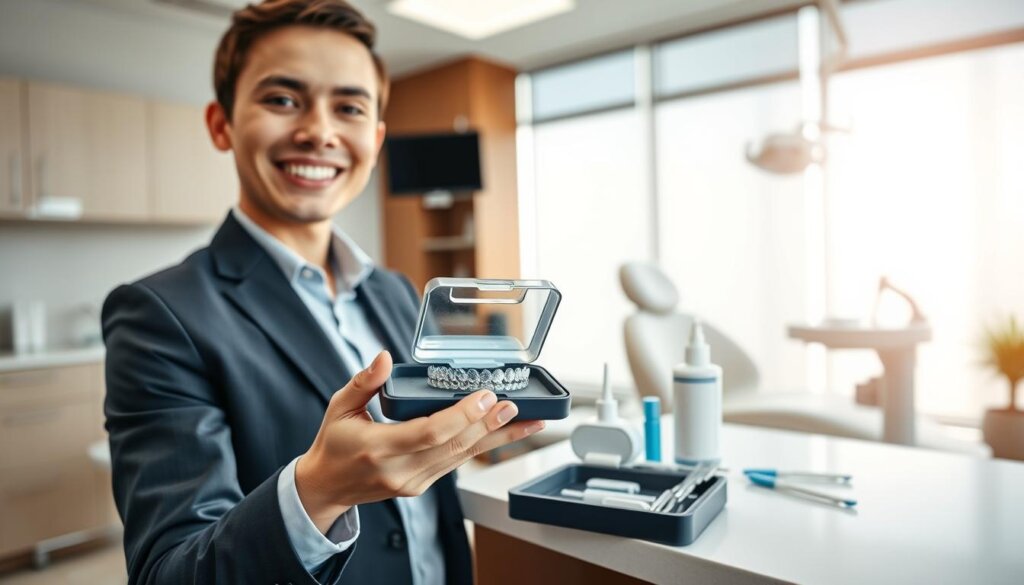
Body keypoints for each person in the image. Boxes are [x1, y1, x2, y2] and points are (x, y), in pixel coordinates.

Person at [101, 1, 545, 583]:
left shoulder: (397, 291)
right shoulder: (160, 316)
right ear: (221, 123)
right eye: (282, 100)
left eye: (350, 107)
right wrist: (316, 492)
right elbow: (169, 572)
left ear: (376, 136)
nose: (319, 131)